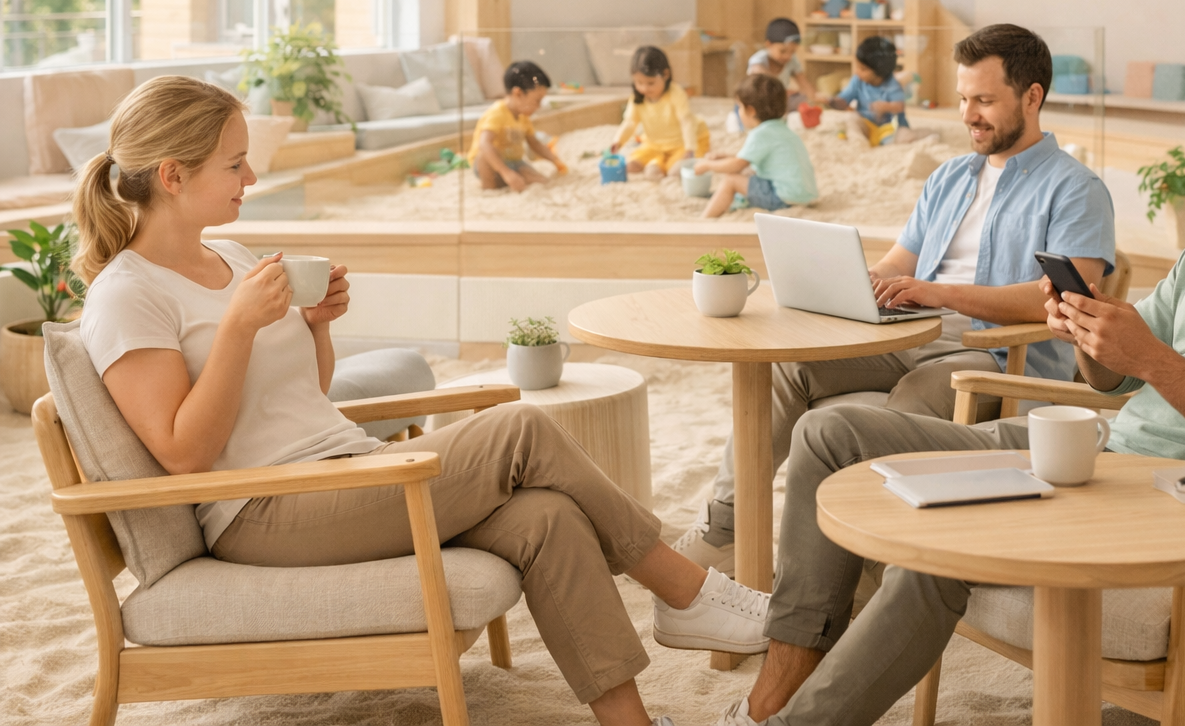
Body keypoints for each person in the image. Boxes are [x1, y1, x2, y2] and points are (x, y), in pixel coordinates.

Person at [706, 42, 1185, 726]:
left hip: (1184, 491)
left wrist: (1149, 359)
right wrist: (1092, 335)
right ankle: (787, 665)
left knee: (946, 541)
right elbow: (1112, 384)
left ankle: (782, 715)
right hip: (1102, 449)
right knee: (830, 432)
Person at [73, 76, 768, 726]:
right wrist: (237, 327)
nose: (251, 178)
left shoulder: (228, 255)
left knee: (546, 516)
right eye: (234, 165)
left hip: (339, 469)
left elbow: (303, 399)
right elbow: (183, 455)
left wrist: (314, 329)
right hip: (260, 512)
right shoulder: (127, 296)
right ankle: (684, 590)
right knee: (519, 428)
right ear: (172, 176)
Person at [677, 25, 1115, 576]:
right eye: (962, 98)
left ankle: (857, 570)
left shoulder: (1075, 188)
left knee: (905, 401)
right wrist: (846, 281)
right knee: (786, 364)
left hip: (994, 356)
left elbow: (1061, 300)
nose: (967, 115)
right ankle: (725, 526)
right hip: (911, 331)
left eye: (984, 100)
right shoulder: (950, 176)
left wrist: (937, 292)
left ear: (1032, 96)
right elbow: (896, 267)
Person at [694, 74, 818, 219]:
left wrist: (708, 165)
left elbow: (737, 165)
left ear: (751, 110)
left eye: (739, 107)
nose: (738, 111)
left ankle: (705, 219)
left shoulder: (760, 133)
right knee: (749, 172)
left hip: (783, 198)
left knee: (731, 180)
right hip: (806, 196)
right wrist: (724, 157)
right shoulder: (782, 129)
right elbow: (750, 160)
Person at [611, 45, 711, 180]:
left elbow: (686, 121)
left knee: (674, 172)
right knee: (631, 166)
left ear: (665, 74)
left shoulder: (675, 94)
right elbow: (630, 122)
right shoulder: (637, 97)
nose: (644, 88)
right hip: (654, 145)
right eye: (638, 83)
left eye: (650, 83)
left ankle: (666, 164)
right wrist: (618, 141)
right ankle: (656, 163)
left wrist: (690, 147)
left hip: (681, 143)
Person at [468, 60, 567, 191]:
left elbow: (535, 144)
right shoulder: (497, 113)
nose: (539, 106)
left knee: (541, 180)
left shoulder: (523, 118)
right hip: (492, 164)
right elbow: (484, 144)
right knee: (484, 158)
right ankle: (491, 185)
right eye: (537, 100)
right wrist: (506, 172)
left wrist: (555, 160)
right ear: (518, 93)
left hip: (514, 162)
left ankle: (507, 181)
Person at [825, 36, 920, 146]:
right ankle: (858, 142)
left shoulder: (892, 83)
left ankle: (913, 137)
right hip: (867, 126)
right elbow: (843, 101)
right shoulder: (858, 81)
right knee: (851, 119)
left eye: (863, 69)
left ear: (880, 71)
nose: (857, 72)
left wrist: (885, 107)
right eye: (857, 67)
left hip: (889, 128)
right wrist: (830, 101)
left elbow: (899, 106)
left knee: (904, 136)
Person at [748, 18, 819, 113]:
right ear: (769, 44)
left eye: (792, 52)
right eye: (782, 51)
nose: (787, 56)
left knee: (801, 100)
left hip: (778, 102)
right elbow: (763, 78)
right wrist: (785, 92)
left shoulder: (792, 60)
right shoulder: (759, 60)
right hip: (755, 102)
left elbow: (804, 83)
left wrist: (814, 100)